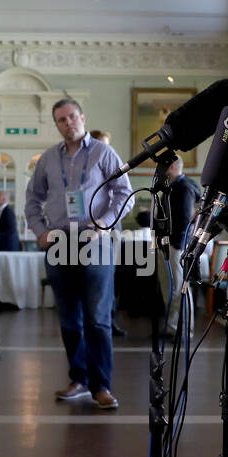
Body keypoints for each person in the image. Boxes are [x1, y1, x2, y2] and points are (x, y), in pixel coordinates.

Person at [26, 100, 132, 409]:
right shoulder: (48, 159)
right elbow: (32, 199)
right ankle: (79, 379)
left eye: (72, 116)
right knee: (69, 319)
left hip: (93, 239)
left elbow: (123, 194)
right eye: (61, 119)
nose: (68, 122)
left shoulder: (103, 152)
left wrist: (102, 223)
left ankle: (102, 386)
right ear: (57, 125)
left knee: (97, 320)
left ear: (82, 118)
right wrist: (40, 231)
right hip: (58, 242)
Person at [88, 130, 128, 338]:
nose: (105, 150)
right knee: (94, 277)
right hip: (91, 228)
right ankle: (94, 320)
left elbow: (123, 197)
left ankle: (110, 320)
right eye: (101, 145)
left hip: (114, 227)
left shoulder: (116, 169)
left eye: (107, 145)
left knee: (112, 276)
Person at [157, 156, 200, 336]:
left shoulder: (184, 188)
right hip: (168, 244)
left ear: (172, 165)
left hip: (176, 246)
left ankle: (182, 329)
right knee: (170, 288)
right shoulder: (173, 187)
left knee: (178, 287)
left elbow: (184, 221)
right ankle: (173, 326)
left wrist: (176, 246)